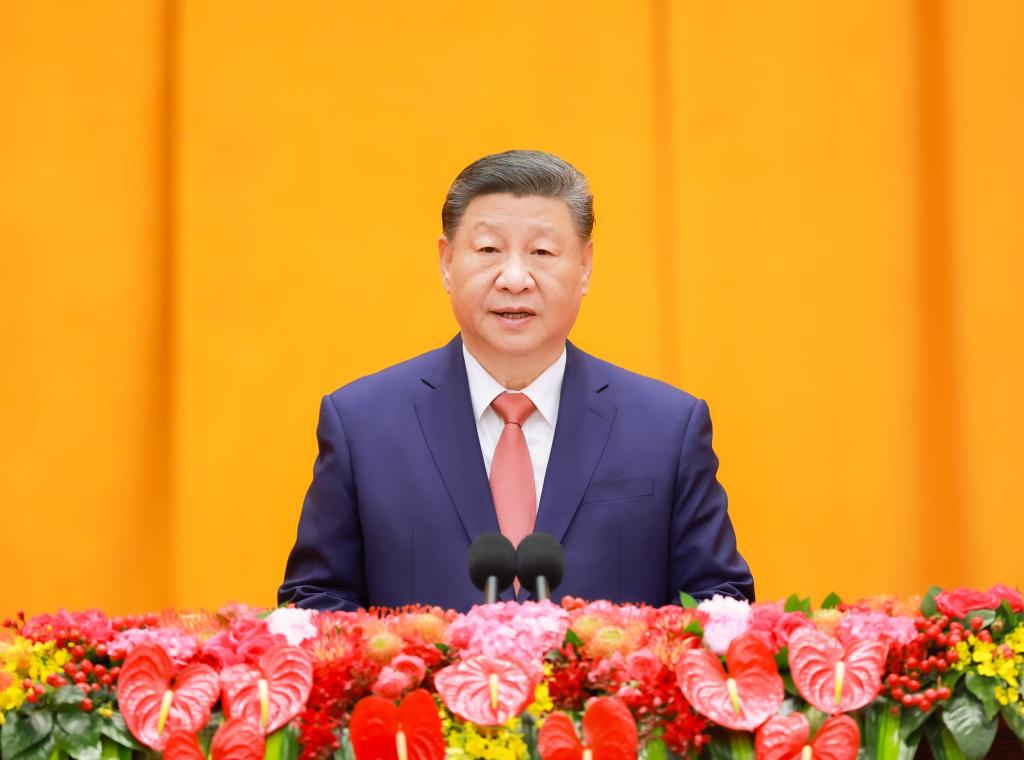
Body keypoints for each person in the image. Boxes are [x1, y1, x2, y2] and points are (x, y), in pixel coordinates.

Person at [278, 150, 754, 611]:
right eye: (488, 250)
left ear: (585, 266)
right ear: (447, 262)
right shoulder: (362, 424)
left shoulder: (668, 427)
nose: (514, 278)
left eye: (542, 252)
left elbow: (717, 603)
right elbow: (318, 602)